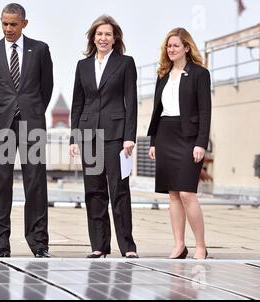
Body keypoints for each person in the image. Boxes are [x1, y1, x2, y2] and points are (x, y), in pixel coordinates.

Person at [0, 3, 53, 258]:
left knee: (35, 185)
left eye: (13, 24)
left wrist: (30, 111)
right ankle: (0, 244)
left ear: (24, 23)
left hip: (32, 127)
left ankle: (39, 244)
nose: (8, 28)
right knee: (0, 185)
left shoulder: (40, 50)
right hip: (2, 127)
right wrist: (6, 111)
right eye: (4, 23)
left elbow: (46, 89)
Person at [69, 15, 138, 259]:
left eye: (108, 34)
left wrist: (130, 136)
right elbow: (77, 104)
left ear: (115, 37)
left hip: (116, 136)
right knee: (94, 192)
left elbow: (131, 102)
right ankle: (99, 245)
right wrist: (73, 138)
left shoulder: (125, 63)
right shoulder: (83, 65)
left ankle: (128, 246)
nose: (103, 38)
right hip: (89, 135)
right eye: (99, 34)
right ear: (93, 37)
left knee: (119, 190)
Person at [147, 27, 211, 260]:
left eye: (175, 45)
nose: (171, 49)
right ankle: (179, 245)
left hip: (189, 138)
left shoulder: (199, 74)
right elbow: (157, 111)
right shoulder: (162, 74)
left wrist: (201, 142)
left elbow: (205, 111)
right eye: (168, 46)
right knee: (173, 194)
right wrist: (153, 141)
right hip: (165, 135)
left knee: (187, 193)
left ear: (186, 47)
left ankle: (201, 246)